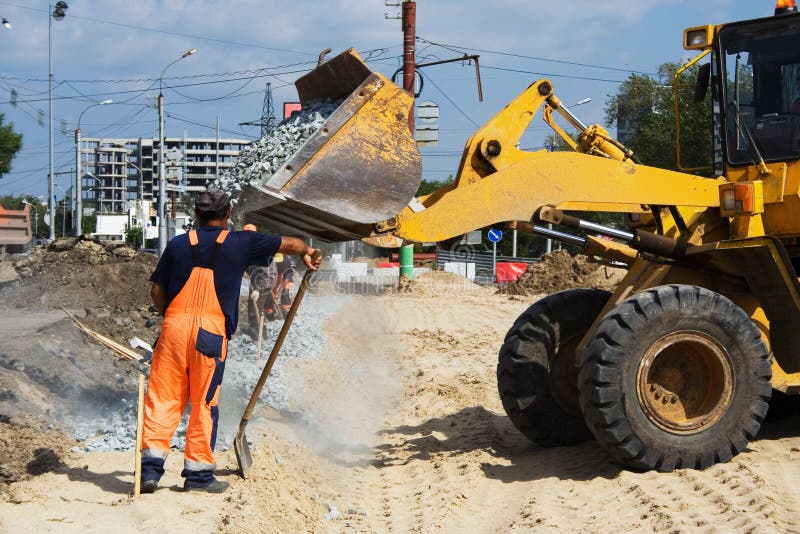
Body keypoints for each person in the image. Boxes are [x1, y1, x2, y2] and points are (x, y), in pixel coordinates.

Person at [140, 186, 321, 493]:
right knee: (204, 401)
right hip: (210, 333)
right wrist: (307, 251)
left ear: (196, 214)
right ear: (228, 213)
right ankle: (198, 477)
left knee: (163, 397)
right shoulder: (241, 241)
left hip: (173, 328)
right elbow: (291, 244)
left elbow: (157, 291)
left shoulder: (178, 244)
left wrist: (172, 316)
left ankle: (149, 472)